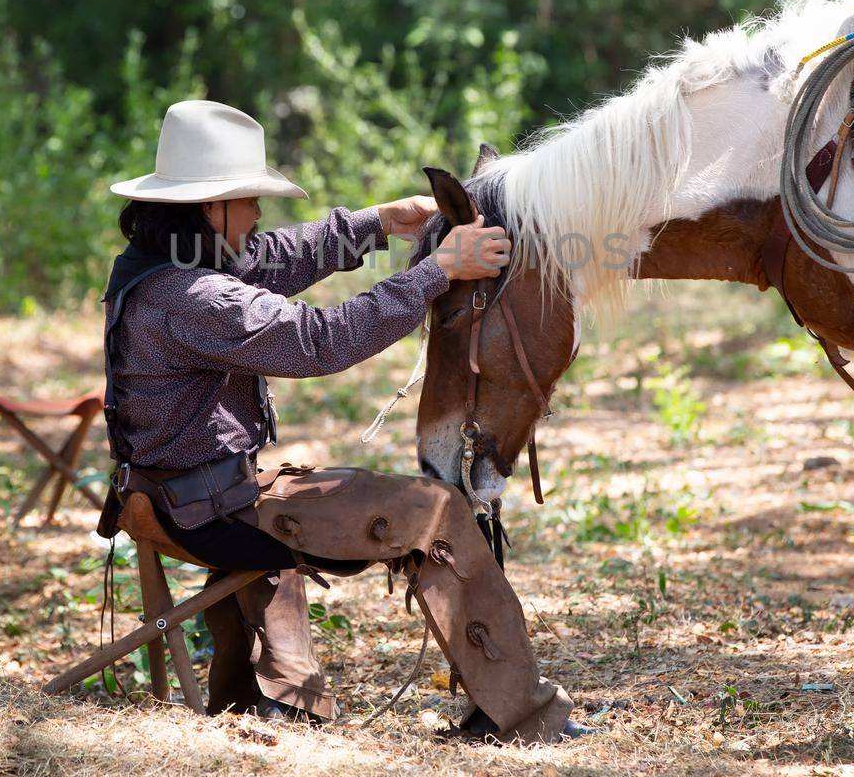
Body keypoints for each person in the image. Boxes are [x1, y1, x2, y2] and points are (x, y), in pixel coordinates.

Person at [99, 99, 585, 743]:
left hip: (184, 495)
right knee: (436, 512)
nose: (258, 213)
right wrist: (435, 273)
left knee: (344, 500)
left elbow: (279, 255)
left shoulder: (172, 262)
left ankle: (276, 697)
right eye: (247, 199)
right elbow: (318, 339)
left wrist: (379, 222)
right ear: (207, 207)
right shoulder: (189, 296)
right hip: (208, 511)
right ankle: (521, 716)